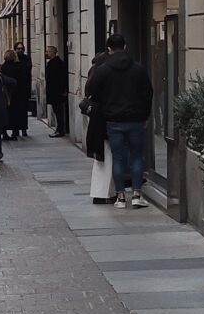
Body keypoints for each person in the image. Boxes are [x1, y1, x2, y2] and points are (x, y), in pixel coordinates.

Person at [84, 34, 154, 209]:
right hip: (135, 119)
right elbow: (148, 93)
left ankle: (120, 197)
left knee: (118, 158)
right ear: (125, 46)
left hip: (113, 120)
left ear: (109, 48)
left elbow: (91, 91)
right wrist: (145, 115)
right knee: (136, 156)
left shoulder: (103, 70)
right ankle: (137, 195)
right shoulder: (138, 68)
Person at [83, 52, 113, 204]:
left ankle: (100, 192)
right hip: (106, 119)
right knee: (109, 156)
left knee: (101, 160)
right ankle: (106, 192)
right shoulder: (106, 76)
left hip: (96, 121)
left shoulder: (93, 74)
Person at [1, 48, 32, 141]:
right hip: (18, 93)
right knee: (16, 113)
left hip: (6, 94)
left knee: (5, 113)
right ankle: (15, 133)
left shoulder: (3, 67)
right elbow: (23, 81)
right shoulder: (19, 67)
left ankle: (4, 133)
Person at [44, 45, 69, 137]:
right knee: (57, 111)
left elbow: (61, 78)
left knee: (58, 112)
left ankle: (60, 130)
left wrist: (63, 90)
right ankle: (59, 129)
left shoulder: (58, 63)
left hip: (57, 92)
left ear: (53, 52)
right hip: (54, 92)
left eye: (48, 51)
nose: (46, 53)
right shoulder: (52, 63)